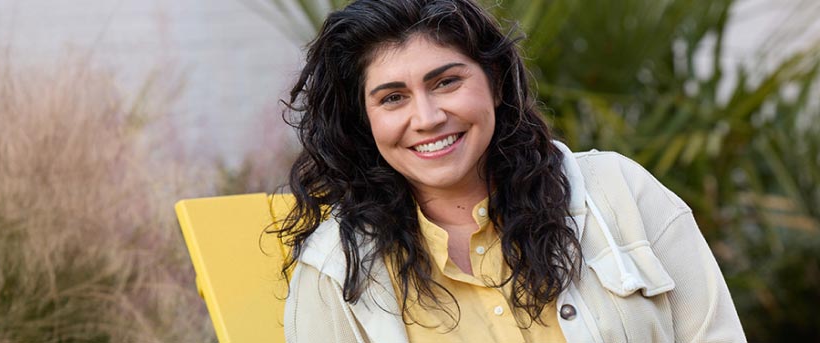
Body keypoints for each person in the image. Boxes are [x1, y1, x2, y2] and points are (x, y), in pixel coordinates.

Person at [272, 0, 747, 342]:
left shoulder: (618, 191)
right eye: (393, 97)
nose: (428, 117)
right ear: (365, 120)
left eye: (447, 82)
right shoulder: (335, 270)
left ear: (495, 83)